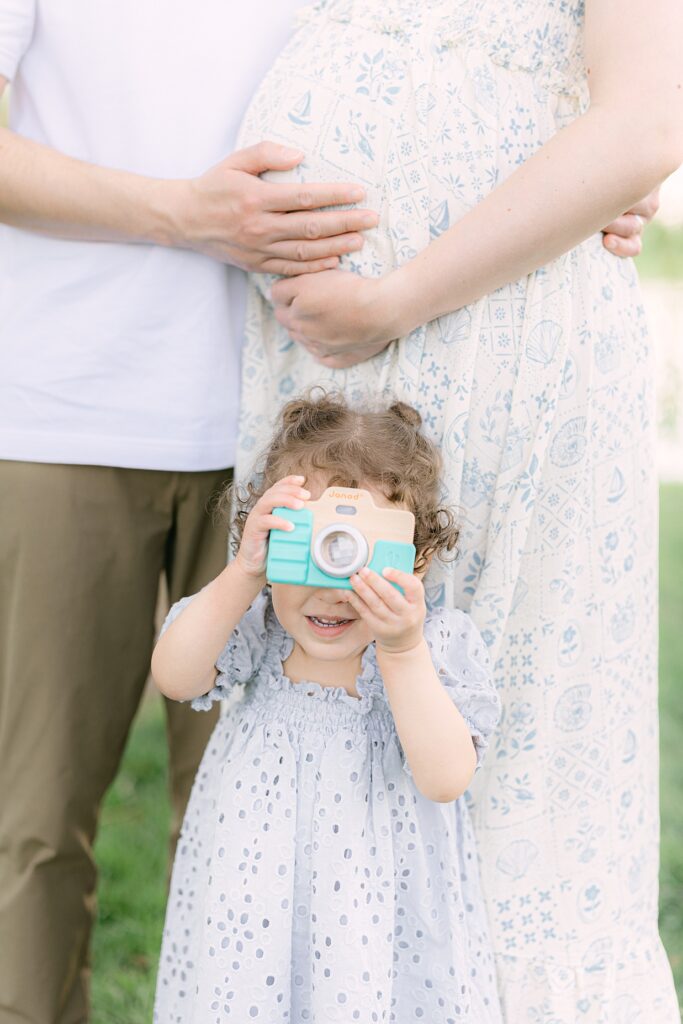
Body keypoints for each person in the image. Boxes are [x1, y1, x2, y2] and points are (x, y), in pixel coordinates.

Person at [233, 0, 683, 1019]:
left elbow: (642, 124)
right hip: (330, 359)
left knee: (493, 726)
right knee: (328, 710)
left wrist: (395, 299)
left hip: (496, 340)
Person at [0, 3, 381, 1021]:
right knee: (28, 825)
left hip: (294, 432)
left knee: (257, 827)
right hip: (61, 416)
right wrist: (185, 212)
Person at [151, 392, 503, 1022]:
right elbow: (175, 678)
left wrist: (401, 649)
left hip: (377, 920)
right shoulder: (256, 628)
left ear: (417, 558)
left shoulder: (433, 647)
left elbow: (447, 778)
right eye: (312, 545)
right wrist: (243, 575)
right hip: (256, 902)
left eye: (363, 552)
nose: (333, 586)